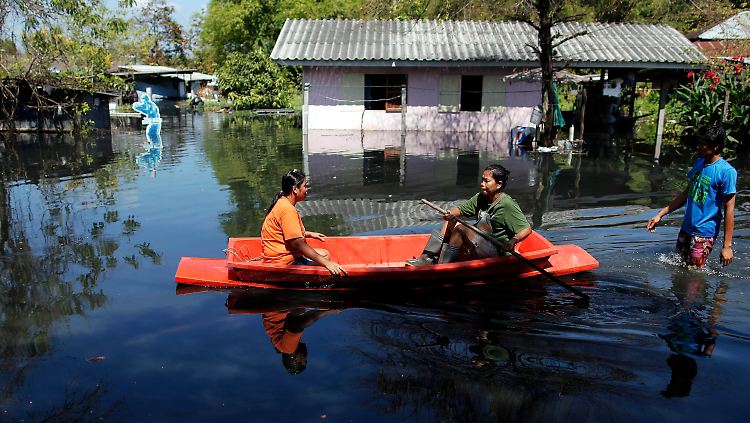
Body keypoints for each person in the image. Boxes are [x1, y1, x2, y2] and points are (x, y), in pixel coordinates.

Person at [647, 125, 737, 268]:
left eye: (703, 144)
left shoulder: (726, 172)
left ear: (716, 147)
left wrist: (727, 246)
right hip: (686, 228)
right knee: (679, 271)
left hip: (704, 233)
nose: (698, 147)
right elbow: (687, 194)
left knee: (695, 277)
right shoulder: (699, 162)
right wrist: (661, 214)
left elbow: (730, 209)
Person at [407, 164, 532, 266]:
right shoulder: (481, 197)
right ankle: (427, 257)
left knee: (461, 229)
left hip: (496, 250)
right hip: (481, 241)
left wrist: (512, 241)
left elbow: (527, 229)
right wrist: (450, 214)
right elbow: (460, 210)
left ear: (499, 185)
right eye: (482, 180)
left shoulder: (507, 204)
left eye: (487, 181)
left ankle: (444, 266)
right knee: (450, 221)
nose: (482, 184)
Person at [261, 169, 347, 276]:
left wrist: (308, 234)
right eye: (305, 186)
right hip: (284, 261)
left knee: (325, 254)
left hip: (281, 256)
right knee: (326, 259)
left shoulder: (282, 201)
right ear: (295, 189)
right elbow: (297, 243)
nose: (307, 190)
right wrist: (327, 264)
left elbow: (285, 231)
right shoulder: (287, 210)